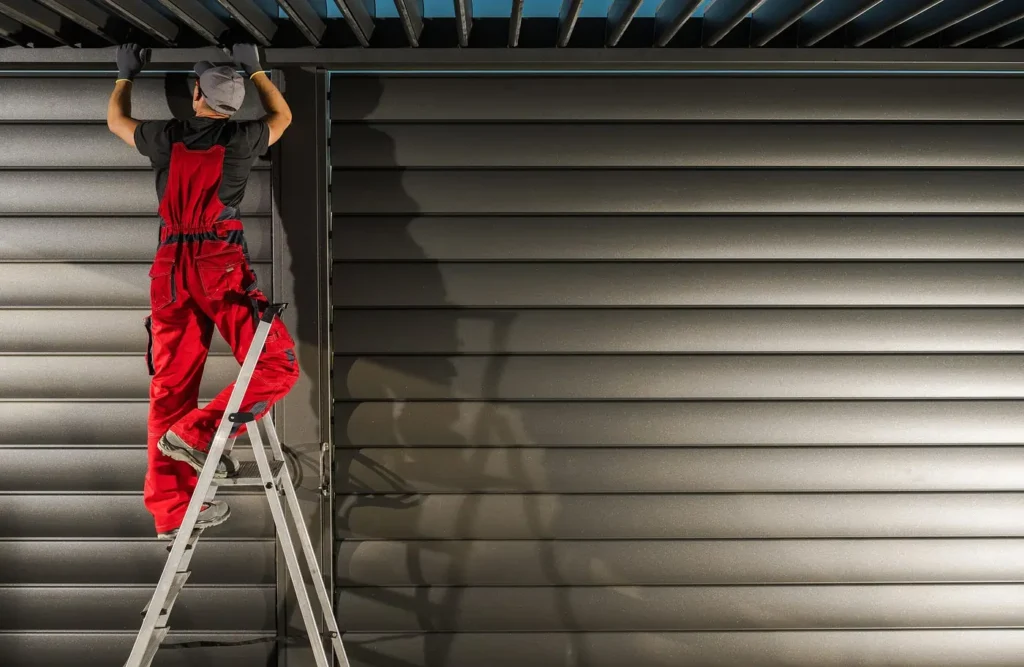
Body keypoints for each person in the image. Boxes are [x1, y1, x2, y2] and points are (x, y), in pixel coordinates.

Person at [106, 43, 299, 539]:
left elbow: (116, 123)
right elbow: (283, 114)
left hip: (170, 269)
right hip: (218, 266)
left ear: (196, 94)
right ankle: (196, 433)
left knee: (169, 390)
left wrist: (125, 76)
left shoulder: (165, 136)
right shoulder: (244, 138)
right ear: (233, 106)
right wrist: (257, 69)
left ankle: (171, 513)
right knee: (277, 365)